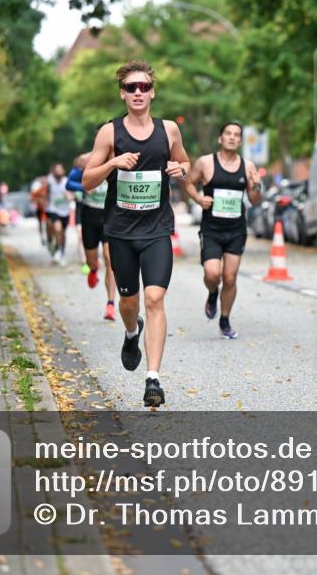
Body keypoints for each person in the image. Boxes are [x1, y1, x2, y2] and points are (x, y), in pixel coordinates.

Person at [82, 59, 190, 407]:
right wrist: (113, 162)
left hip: (157, 228)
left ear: (153, 92)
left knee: (155, 298)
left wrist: (179, 168)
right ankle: (132, 331)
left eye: (144, 86)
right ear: (123, 94)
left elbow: (185, 164)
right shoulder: (110, 133)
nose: (138, 92)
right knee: (129, 303)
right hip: (121, 232)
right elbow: (87, 180)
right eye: (132, 87)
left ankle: (153, 379)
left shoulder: (169, 130)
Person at [185, 122, 263, 340]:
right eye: (228, 134)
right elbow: (189, 183)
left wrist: (257, 185)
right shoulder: (206, 163)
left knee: (230, 277)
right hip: (211, 229)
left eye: (237, 135)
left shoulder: (247, 166)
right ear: (220, 138)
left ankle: (225, 319)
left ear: (240, 141)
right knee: (212, 274)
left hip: (236, 229)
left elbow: (255, 201)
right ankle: (212, 293)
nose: (232, 137)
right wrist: (199, 199)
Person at [68, 149, 118, 320]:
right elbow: (69, 183)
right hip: (89, 215)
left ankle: (110, 304)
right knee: (91, 259)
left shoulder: (118, 157)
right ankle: (93, 269)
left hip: (109, 215)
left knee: (110, 258)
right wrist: (83, 187)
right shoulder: (86, 159)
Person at [44, 163, 72, 264]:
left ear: (63, 171)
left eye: (60, 170)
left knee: (62, 233)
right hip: (53, 209)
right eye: (56, 170)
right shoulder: (50, 180)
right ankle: (52, 243)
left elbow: (72, 195)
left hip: (65, 210)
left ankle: (60, 250)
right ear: (54, 172)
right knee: (57, 229)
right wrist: (45, 200)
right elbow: (46, 192)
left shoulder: (66, 181)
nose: (58, 172)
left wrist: (69, 196)